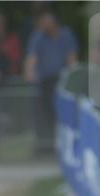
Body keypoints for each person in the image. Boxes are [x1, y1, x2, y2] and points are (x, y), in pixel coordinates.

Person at [24, 12, 77, 154]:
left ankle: (64, 146)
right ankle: (44, 147)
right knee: (43, 115)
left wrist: (72, 77)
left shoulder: (66, 35)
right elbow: (31, 58)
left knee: (61, 115)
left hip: (61, 82)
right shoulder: (38, 36)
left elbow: (71, 58)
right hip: (44, 82)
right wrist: (30, 73)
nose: (44, 27)